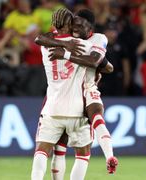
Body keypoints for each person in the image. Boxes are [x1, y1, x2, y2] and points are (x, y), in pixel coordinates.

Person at [35, 9, 118, 177]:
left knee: (94, 117)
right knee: (73, 149)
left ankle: (110, 155)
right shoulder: (77, 42)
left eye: (80, 25)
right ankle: (109, 155)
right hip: (75, 97)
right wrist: (66, 47)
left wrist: (64, 51)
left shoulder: (96, 38)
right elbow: (104, 65)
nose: (76, 28)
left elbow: (40, 39)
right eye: (74, 24)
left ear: (90, 28)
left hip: (73, 94)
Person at [31, 8, 96, 180]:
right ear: (71, 24)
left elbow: (40, 37)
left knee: (42, 151)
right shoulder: (82, 44)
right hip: (77, 110)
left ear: (54, 25)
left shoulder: (46, 45)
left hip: (52, 108)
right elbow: (98, 62)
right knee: (82, 154)